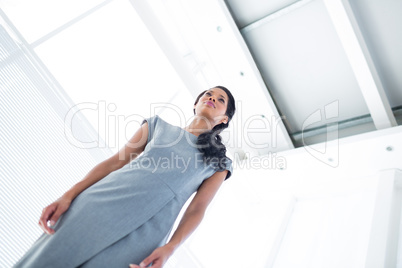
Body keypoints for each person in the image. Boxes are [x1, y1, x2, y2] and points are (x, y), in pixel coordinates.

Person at [15, 86, 236, 268]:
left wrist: (170, 248)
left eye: (220, 99)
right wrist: (68, 196)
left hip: (146, 233)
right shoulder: (157, 126)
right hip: (97, 206)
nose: (211, 98)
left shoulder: (219, 163)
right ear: (195, 104)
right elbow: (113, 163)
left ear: (224, 118)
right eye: (208, 94)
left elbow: (197, 209)